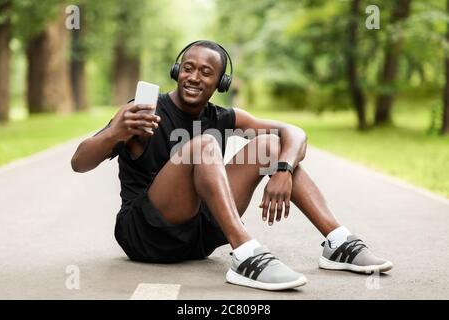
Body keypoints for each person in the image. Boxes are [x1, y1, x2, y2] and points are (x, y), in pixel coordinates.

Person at [71, 40, 393, 291]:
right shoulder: (144, 111)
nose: (194, 77)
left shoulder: (222, 117)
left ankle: (338, 242)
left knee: (269, 145)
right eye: (188, 68)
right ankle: (245, 254)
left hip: (198, 237)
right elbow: (79, 163)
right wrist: (116, 131)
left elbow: (294, 133)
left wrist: (283, 169)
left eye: (205, 72)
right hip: (146, 235)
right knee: (203, 144)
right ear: (176, 70)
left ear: (220, 83)